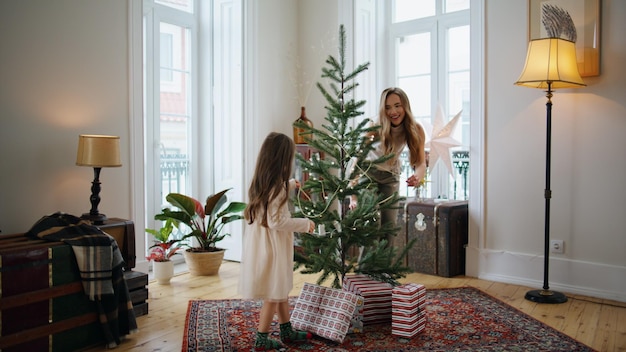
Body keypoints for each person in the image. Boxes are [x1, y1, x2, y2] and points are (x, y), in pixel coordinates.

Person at [239, 132, 316, 350]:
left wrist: (292, 184)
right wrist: (305, 224)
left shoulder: (262, 183)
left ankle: (286, 330)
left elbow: (277, 193)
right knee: (274, 293)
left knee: (279, 287)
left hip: (265, 244)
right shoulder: (277, 190)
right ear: (282, 160)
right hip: (273, 247)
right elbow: (277, 222)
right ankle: (261, 339)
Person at [350, 87, 427, 231]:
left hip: (391, 176)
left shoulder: (416, 129)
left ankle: (388, 255)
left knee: (389, 229)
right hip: (368, 174)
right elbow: (357, 159)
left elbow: (421, 162)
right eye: (388, 108)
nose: (393, 112)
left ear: (405, 106)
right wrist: (353, 196)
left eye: (397, 106)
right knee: (371, 225)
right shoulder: (374, 126)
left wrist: (418, 176)